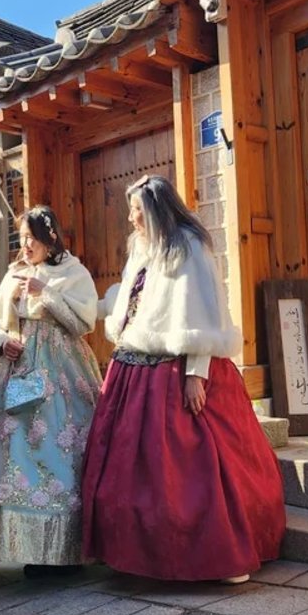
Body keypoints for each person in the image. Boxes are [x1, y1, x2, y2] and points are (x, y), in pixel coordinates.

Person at [81, 175, 285, 582]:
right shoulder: (142, 248)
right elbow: (131, 300)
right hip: (133, 368)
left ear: (157, 210)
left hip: (175, 371)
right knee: (133, 471)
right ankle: (139, 555)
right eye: (131, 210)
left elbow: (202, 315)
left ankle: (217, 553)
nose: (132, 218)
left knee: (194, 469)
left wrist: (196, 373)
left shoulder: (189, 248)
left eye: (138, 210)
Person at [0, 206, 102, 577]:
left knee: (63, 446)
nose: (25, 245)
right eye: (21, 238)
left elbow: (83, 323)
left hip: (63, 367)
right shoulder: (14, 272)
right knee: (15, 449)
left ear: (49, 237)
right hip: (18, 368)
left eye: (32, 238)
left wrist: (48, 293)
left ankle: (67, 550)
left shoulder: (73, 272)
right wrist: (1, 341)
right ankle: (27, 547)